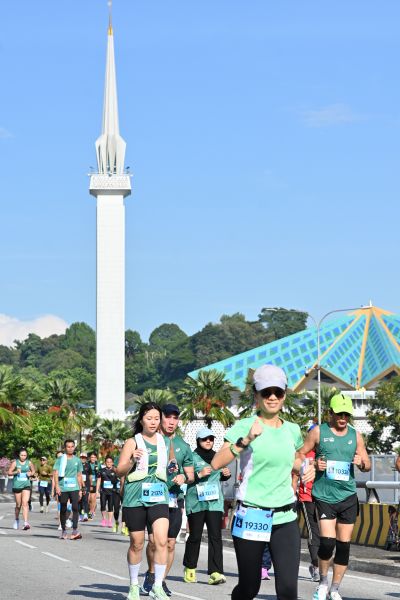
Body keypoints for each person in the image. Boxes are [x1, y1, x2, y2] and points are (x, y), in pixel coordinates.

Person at [211, 364, 315, 600]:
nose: (272, 397)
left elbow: (294, 459)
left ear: (284, 395)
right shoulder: (244, 426)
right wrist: (246, 440)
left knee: (288, 591)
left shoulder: (292, 429)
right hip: (252, 515)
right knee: (249, 587)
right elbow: (217, 462)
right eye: (266, 392)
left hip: (285, 517)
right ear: (256, 395)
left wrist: (306, 468)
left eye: (278, 392)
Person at [300, 393, 371, 600]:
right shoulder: (318, 432)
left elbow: (367, 464)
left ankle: (335, 589)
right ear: (330, 413)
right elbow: (300, 454)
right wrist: (314, 464)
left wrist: (361, 463)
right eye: (339, 414)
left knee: (343, 546)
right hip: (324, 496)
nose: (343, 418)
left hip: (347, 496)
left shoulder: (356, 435)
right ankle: (322, 583)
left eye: (346, 414)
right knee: (327, 543)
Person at [116, 402, 170, 600]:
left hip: (158, 495)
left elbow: (173, 466)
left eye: (157, 418)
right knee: (137, 543)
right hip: (135, 496)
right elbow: (119, 470)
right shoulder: (132, 442)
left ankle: (158, 586)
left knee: (161, 540)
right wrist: (131, 460)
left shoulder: (165, 441)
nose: (153, 422)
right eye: (149, 418)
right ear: (141, 420)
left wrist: (179, 473)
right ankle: (133, 585)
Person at [142, 403, 194, 596]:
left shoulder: (183, 446)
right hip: (154, 496)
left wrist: (184, 477)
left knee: (170, 543)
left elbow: (191, 475)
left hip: (174, 498)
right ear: (160, 418)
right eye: (168, 417)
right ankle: (151, 573)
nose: (171, 422)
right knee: (154, 541)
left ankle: (160, 581)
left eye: (175, 418)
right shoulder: (149, 441)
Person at [183, 427, 231, 586]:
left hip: (214, 503)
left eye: (211, 438)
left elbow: (219, 477)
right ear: (198, 441)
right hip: (196, 502)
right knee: (195, 536)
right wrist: (199, 474)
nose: (208, 441)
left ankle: (216, 572)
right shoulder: (191, 457)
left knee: (215, 537)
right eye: (205, 439)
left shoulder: (218, 457)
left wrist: (226, 475)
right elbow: (185, 478)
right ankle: (190, 568)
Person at [294, 424, 320, 582]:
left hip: (325, 498)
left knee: (327, 534)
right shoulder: (303, 453)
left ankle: (320, 563)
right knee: (313, 532)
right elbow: (295, 473)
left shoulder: (325, 453)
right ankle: (316, 566)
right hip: (307, 497)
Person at [53, 439, 84, 540]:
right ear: (65, 448)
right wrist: (57, 486)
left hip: (74, 488)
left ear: (74, 447)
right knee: (63, 509)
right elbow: (56, 473)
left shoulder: (77, 460)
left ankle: (75, 530)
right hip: (63, 488)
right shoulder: (60, 459)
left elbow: (79, 475)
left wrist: (80, 489)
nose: (70, 448)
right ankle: (64, 531)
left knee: (75, 508)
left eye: (72, 446)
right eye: (68, 447)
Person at [8, 448, 36, 530]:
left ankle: (26, 522)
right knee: (18, 505)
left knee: (25, 503)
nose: (23, 457)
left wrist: (30, 473)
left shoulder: (29, 462)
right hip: (17, 486)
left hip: (26, 485)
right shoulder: (15, 463)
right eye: (22, 455)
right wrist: (16, 472)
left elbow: (33, 471)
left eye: (25, 455)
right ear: (19, 455)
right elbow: (9, 473)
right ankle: (16, 520)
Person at [97, 455, 118, 527]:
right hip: (103, 491)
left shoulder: (115, 471)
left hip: (112, 492)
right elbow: (99, 480)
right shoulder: (101, 470)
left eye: (110, 462)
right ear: (105, 462)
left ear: (112, 463)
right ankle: (104, 519)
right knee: (103, 505)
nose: (109, 463)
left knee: (110, 506)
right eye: (107, 462)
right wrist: (97, 491)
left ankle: (109, 521)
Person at [88, 451, 99, 519]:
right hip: (88, 483)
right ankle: (91, 508)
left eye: (94, 457)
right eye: (92, 457)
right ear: (90, 458)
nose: (93, 458)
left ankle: (91, 512)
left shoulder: (98, 465)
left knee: (93, 498)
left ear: (96, 458)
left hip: (95, 483)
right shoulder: (87, 464)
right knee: (89, 499)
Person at [79, 452, 89, 521]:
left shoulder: (88, 465)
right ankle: (80, 515)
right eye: (82, 457)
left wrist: (91, 485)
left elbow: (90, 475)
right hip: (78, 485)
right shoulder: (77, 465)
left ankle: (85, 514)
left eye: (84, 458)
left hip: (86, 485)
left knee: (85, 499)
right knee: (79, 500)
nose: (83, 459)